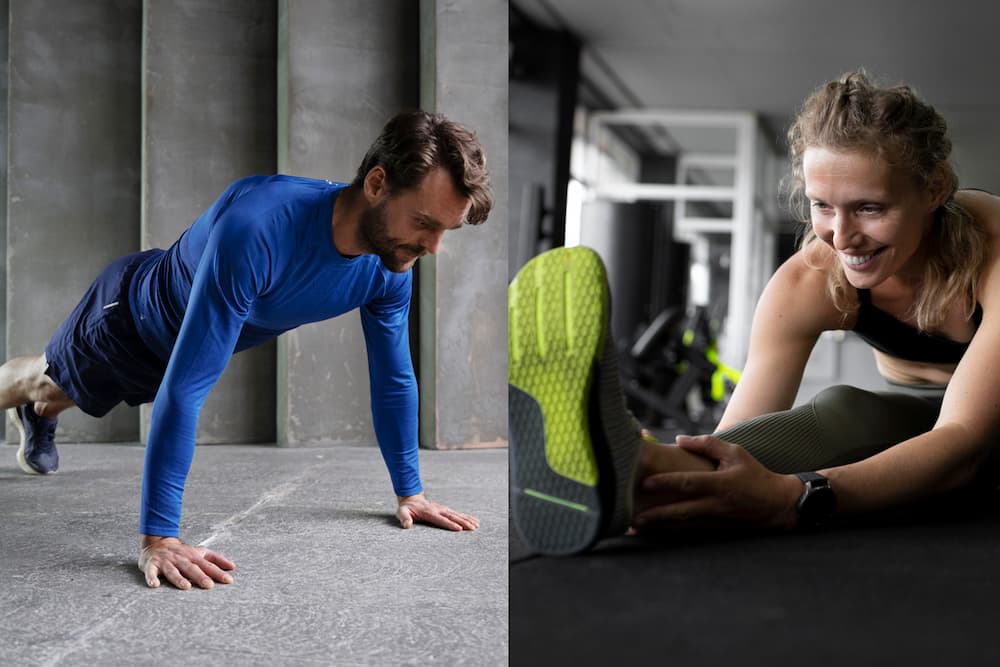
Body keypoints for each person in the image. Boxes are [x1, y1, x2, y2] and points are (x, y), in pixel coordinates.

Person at [509, 70, 1000, 555]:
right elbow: (736, 445)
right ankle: (626, 471)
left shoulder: (994, 248)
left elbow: (964, 440)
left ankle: (627, 471)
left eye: (870, 208)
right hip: (919, 421)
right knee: (846, 412)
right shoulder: (806, 282)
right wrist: (694, 484)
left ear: (934, 189)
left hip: (977, 438)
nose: (842, 237)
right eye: (822, 206)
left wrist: (798, 497)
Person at [1, 110, 493, 587]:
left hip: (182, 351)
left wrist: (412, 492)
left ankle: (40, 415)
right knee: (39, 382)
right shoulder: (260, 226)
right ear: (377, 184)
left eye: (445, 232)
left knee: (62, 395)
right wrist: (160, 538)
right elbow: (189, 388)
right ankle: (34, 404)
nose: (432, 248)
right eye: (425, 223)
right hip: (127, 321)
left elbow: (394, 380)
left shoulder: (389, 266)